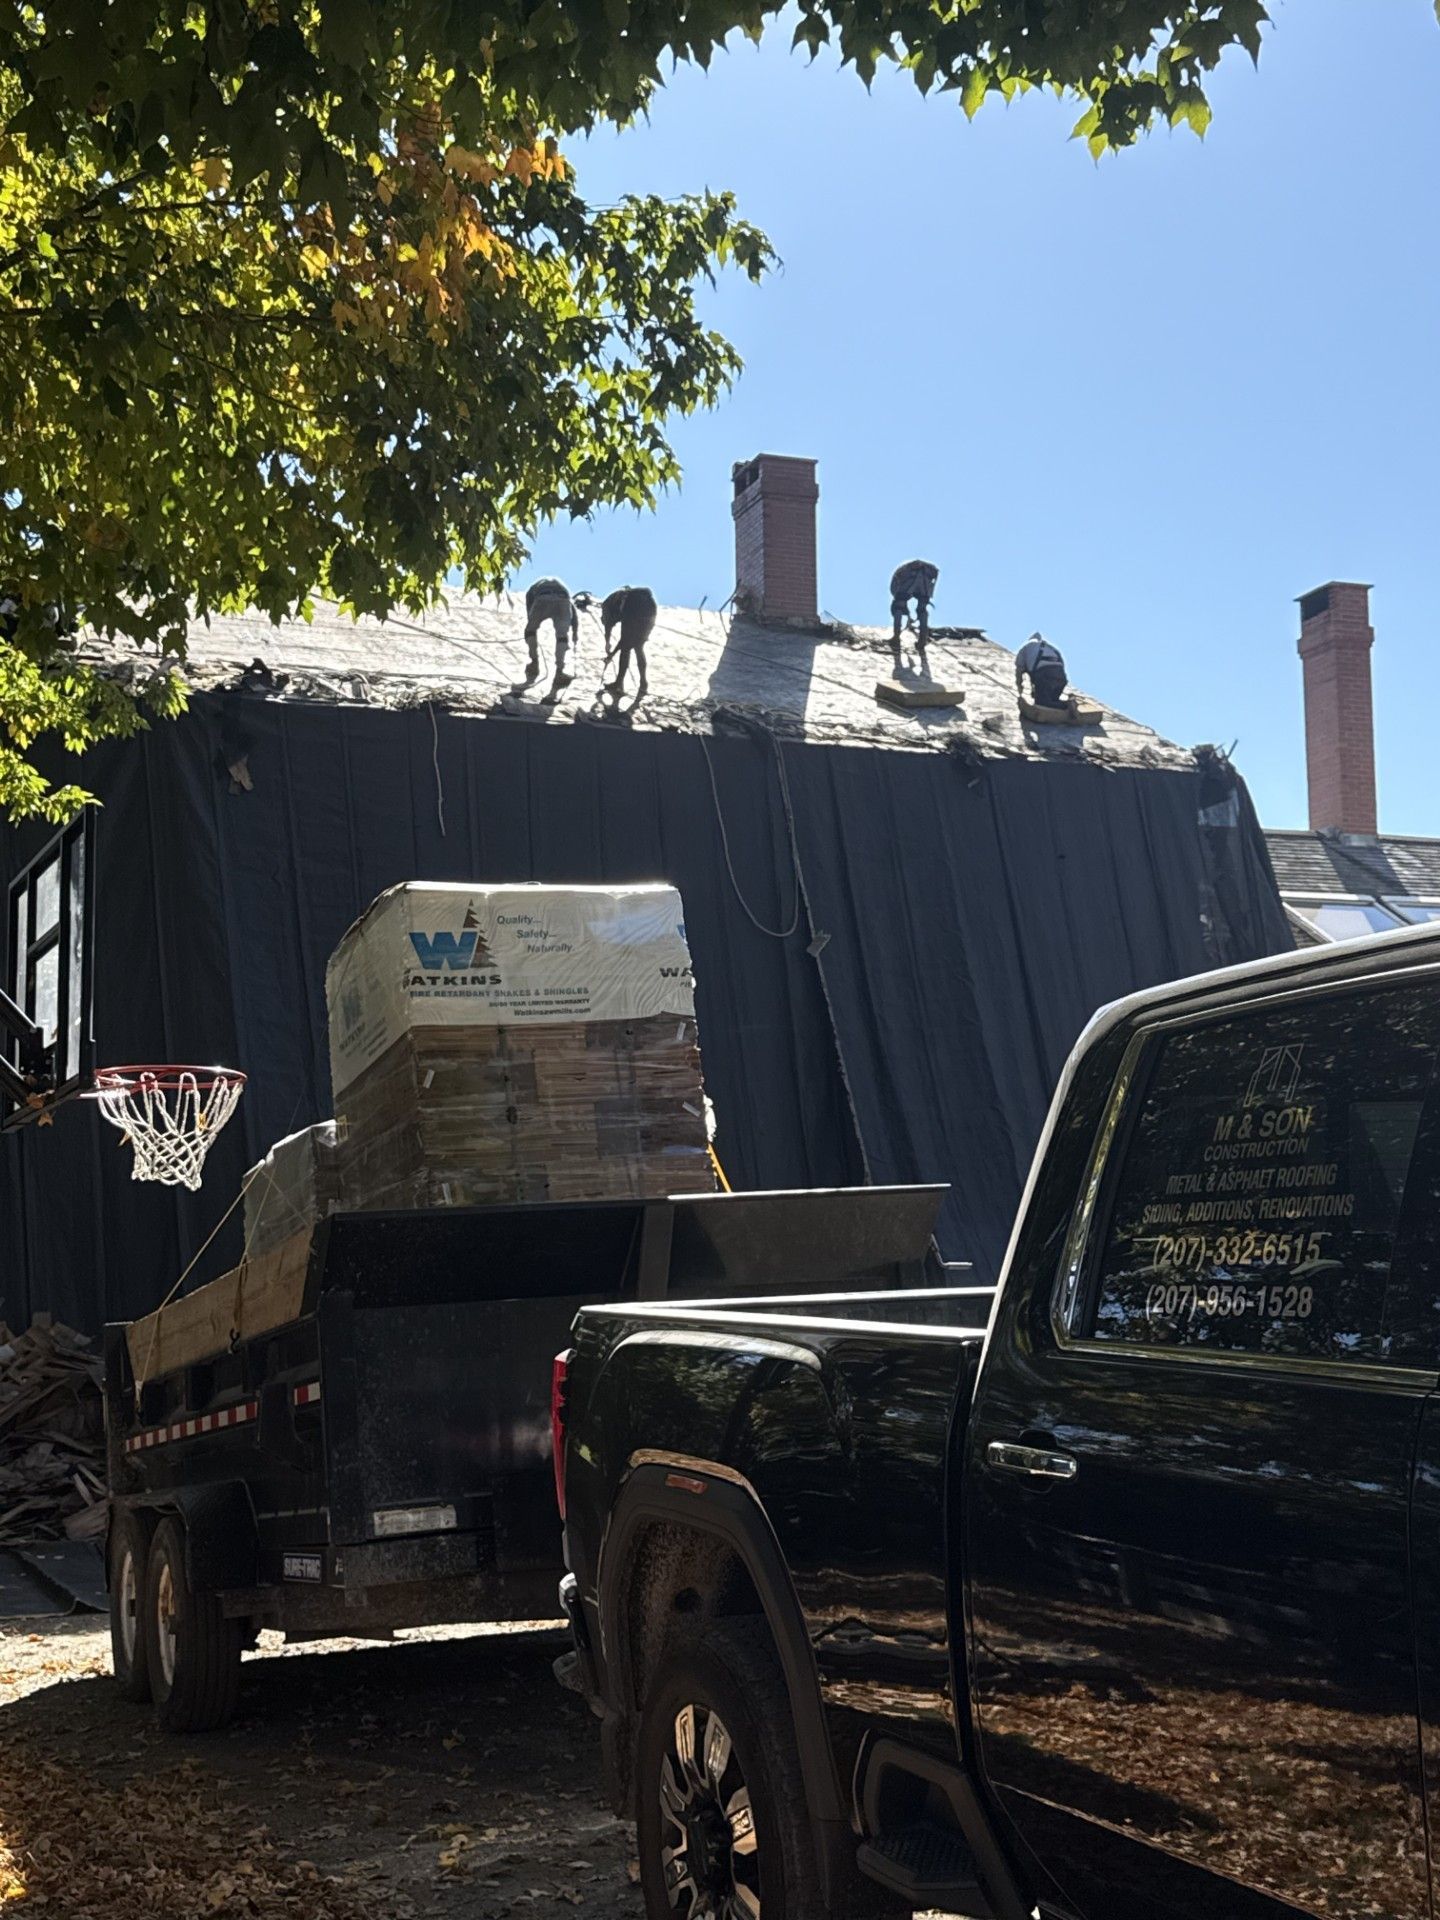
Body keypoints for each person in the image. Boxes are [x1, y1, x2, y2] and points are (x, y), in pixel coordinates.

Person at [889, 560, 939, 662]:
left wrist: (903, 609)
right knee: (922, 610)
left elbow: (899, 601)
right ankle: (922, 641)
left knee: (899, 605)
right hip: (928, 575)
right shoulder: (902, 574)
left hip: (910, 575)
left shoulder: (896, 585)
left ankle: (896, 637)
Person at [1014, 633, 1069, 709]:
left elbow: (1019, 669)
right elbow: (1061, 664)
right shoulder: (1052, 648)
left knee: (1041, 704)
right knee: (1053, 700)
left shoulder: (1025, 648)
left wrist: (1019, 687)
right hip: (1060, 676)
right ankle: (1067, 707)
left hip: (1045, 674)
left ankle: (1066, 707)